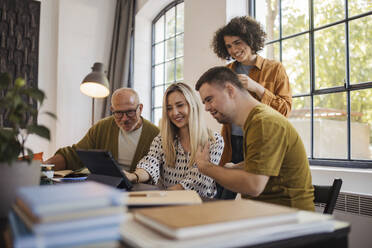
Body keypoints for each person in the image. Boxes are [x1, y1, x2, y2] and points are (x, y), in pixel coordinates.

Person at [194, 66, 314, 211]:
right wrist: (236, 167)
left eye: (209, 99)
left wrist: (205, 166)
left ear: (230, 90)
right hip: (266, 215)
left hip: (290, 223)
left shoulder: (263, 122)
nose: (206, 108)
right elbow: (267, 163)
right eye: (204, 103)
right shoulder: (255, 121)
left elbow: (254, 185)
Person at [212, 16, 292, 198]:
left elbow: (285, 110)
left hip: (260, 141)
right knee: (222, 198)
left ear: (250, 39)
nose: (234, 50)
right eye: (229, 46)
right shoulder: (227, 72)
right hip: (232, 142)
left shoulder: (275, 69)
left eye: (237, 43)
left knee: (257, 196)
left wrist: (257, 88)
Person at [124, 82, 224, 198]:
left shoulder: (214, 141)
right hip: (167, 204)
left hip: (200, 208)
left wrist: (160, 196)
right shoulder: (162, 139)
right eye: (169, 108)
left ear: (192, 105)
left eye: (180, 105)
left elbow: (197, 182)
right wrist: (134, 176)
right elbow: (151, 162)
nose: (174, 113)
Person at [43, 88, 159, 172]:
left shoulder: (155, 134)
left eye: (130, 112)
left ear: (140, 108)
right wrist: (44, 166)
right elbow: (74, 155)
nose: (124, 119)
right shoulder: (101, 128)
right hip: (106, 187)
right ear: (112, 109)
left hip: (140, 190)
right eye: (118, 113)